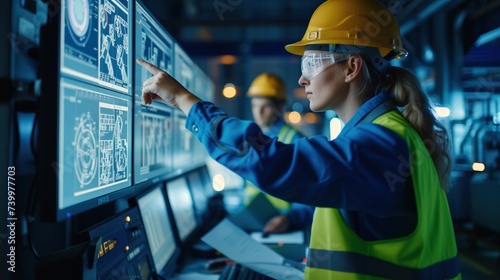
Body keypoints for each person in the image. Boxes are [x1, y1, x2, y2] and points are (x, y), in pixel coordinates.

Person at [137, 0, 461, 278]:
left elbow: (272, 162)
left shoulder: (381, 146)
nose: (302, 77)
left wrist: (184, 101)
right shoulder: (386, 136)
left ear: (351, 67)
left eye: (312, 62)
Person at [244, 73, 314, 234]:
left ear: (280, 106)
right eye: (255, 105)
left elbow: (309, 193)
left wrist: (290, 219)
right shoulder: (252, 138)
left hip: (283, 227)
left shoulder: (295, 140)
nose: (258, 112)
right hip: (254, 223)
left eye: (265, 106)